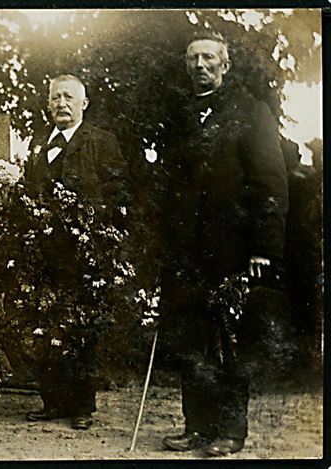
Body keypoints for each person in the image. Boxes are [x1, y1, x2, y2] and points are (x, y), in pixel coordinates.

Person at [158, 32, 288, 457]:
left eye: (209, 57)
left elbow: (270, 183)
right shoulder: (178, 116)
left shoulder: (251, 111)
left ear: (225, 65)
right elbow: (169, 187)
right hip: (187, 253)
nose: (200, 65)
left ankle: (231, 431)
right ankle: (196, 427)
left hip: (234, 250)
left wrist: (263, 248)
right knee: (193, 339)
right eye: (193, 58)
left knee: (232, 340)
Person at [23, 74, 129, 430]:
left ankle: (83, 404)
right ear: (47, 104)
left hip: (86, 252)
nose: (61, 104)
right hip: (43, 252)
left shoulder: (101, 141)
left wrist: (98, 235)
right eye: (55, 98)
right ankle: (53, 401)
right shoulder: (39, 143)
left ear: (84, 103)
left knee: (83, 327)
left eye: (69, 97)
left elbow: (118, 194)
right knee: (45, 323)